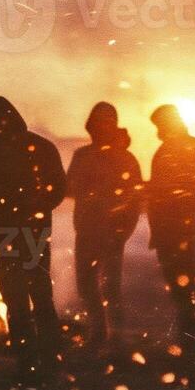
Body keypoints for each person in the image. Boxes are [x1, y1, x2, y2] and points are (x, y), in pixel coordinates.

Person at [0, 96, 66, 380]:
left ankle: (44, 360)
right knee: (19, 299)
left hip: (27, 232)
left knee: (35, 295)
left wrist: (31, 211)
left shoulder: (37, 148)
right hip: (10, 232)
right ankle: (31, 360)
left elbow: (57, 189)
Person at [66, 102, 143, 345]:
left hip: (111, 233)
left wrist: (123, 230)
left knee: (110, 287)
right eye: (97, 125)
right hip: (88, 230)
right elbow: (69, 188)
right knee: (87, 286)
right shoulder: (84, 155)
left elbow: (134, 198)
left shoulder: (124, 158)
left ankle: (114, 338)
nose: (100, 129)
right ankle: (100, 334)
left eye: (105, 124)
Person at [147, 103, 195, 342]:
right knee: (183, 276)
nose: (158, 130)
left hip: (176, 227)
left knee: (183, 277)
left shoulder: (180, 149)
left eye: (160, 125)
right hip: (177, 226)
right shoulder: (188, 147)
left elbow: (185, 190)